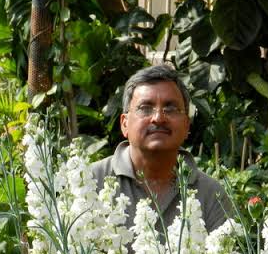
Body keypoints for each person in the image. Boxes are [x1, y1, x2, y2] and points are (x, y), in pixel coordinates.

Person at [91, 64, 231, 232]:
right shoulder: (91, 182)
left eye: (170, 108)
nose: (158, 118)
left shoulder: (210, 195)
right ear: (124, 124)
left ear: (187, 125)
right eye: (145, 108)